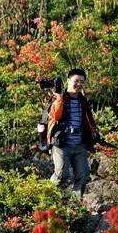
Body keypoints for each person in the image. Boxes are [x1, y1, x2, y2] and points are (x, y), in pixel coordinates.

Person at [46, 68, 101, 197]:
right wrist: (59, 98)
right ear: (68, 81)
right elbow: (56, 116)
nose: (79, 84)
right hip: (61, 144)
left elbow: (89, 120)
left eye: (82, 82)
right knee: (61, 175)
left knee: (83, 177)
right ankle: (47, 196)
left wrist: (94, 135)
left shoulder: (83, 100)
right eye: (76, 81)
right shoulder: (60, 98)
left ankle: (75, 204)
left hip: (80, 144)